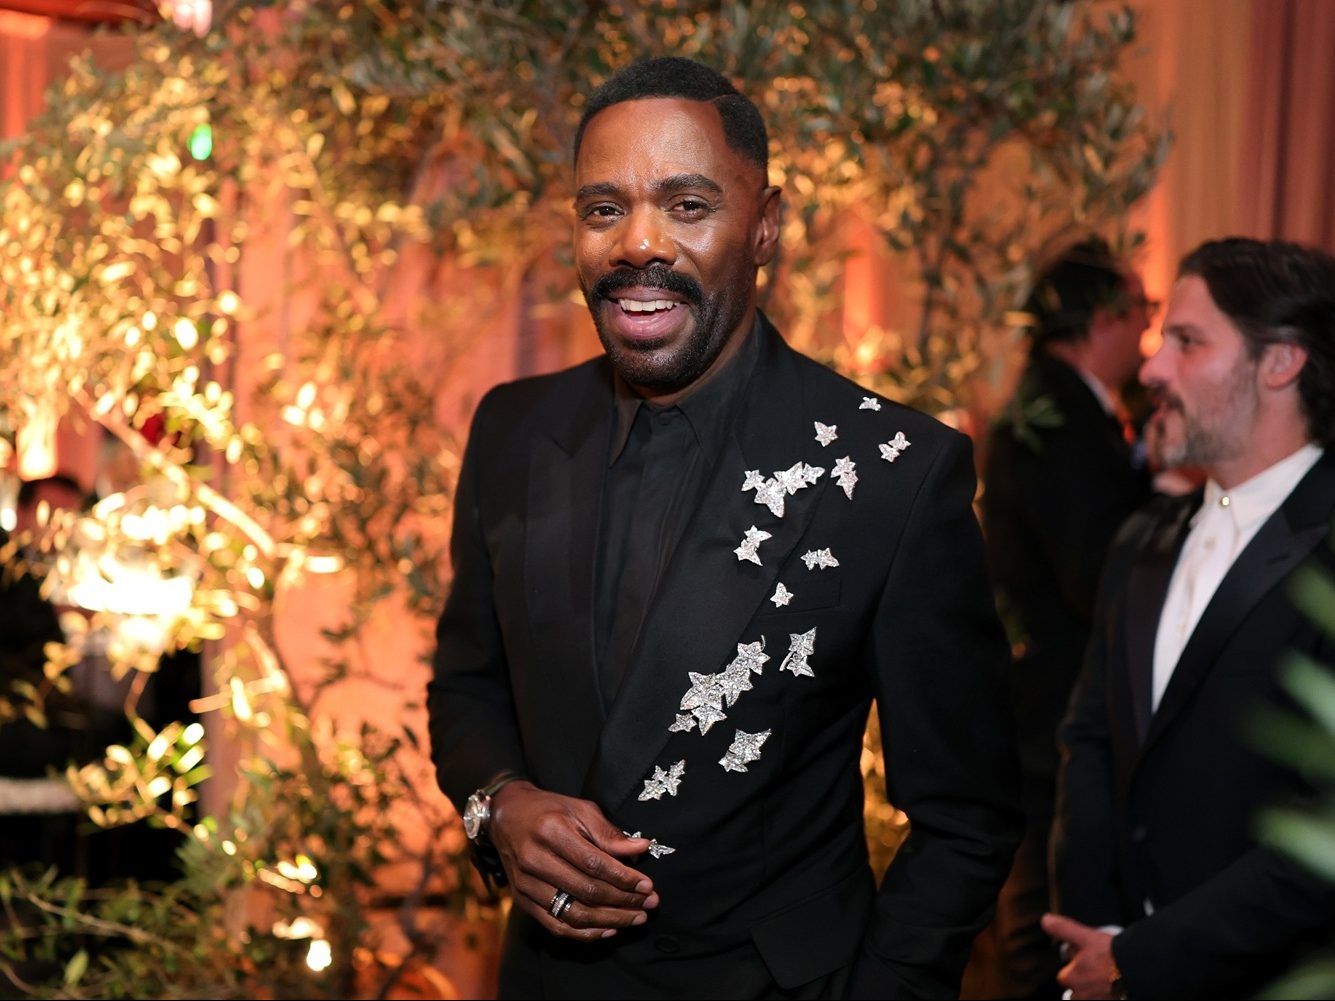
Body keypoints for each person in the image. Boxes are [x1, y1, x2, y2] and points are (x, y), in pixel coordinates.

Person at [426, 57, 1022, 998]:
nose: (637, 246)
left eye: (688, 205)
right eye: (602, 208)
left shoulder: (890, 474)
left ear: (766, 225)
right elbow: (466, 684)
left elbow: (969, 814)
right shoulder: (513, 428)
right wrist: (500, 803)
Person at [1045, 237, 1335, 999]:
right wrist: (1099, 931)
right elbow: (1090, 742)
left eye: (1186, 340)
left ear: (1279, 362)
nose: (1150, 368)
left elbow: (1323, 835)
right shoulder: (1142, 537)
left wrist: (1143, 956)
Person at [965, 240, 1154, 999]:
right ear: (1102, 317)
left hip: (1040, 694)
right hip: (1048, 698)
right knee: (1036, 912)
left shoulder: (1061, 404)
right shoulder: (1056, 417)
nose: (1146, 332)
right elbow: (1091, 570)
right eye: (1144, 311)